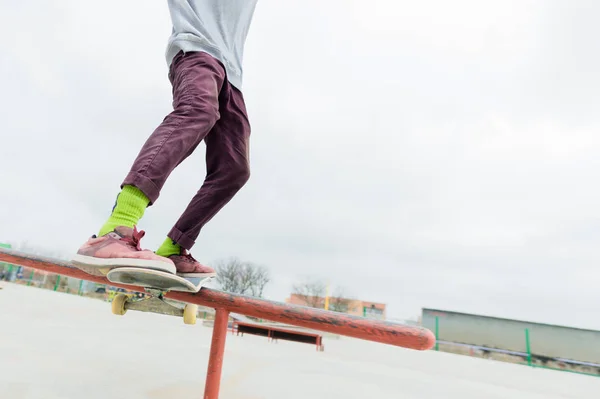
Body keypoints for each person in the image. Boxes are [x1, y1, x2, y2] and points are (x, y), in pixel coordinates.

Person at [72, 0, 259, 278]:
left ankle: (174, 247)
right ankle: (116, 228)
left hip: (233, 75)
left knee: (235, 169)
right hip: (196, 50)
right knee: (198, 111)